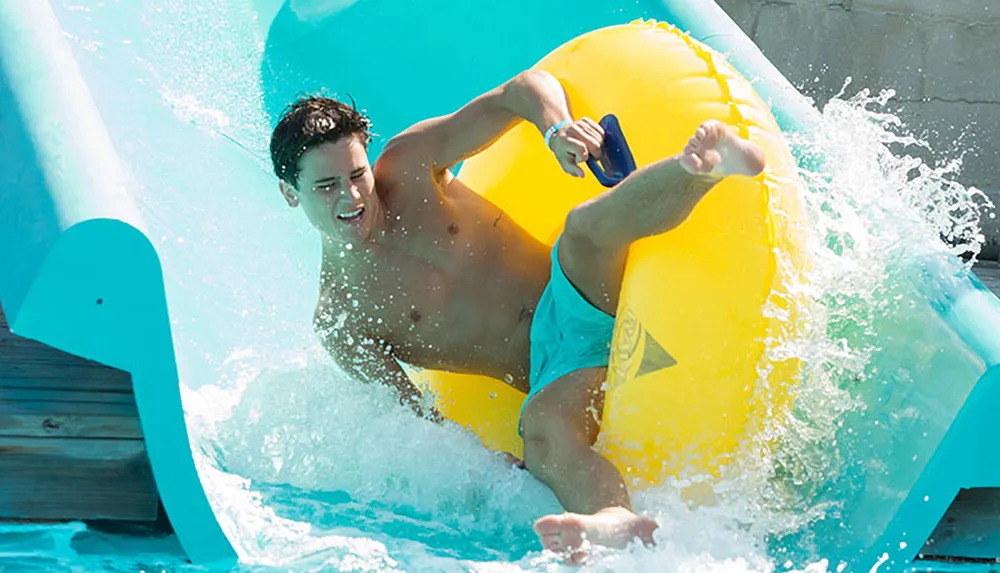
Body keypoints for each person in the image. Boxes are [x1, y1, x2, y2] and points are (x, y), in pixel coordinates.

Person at [268, 69, 765, 559]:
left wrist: (556, 128)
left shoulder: (411, 163)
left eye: (357, 174)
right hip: (557, 372)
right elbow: (417, 425)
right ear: (291, 193)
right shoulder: (343, 320)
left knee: (584, 228)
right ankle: (614, 521)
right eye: (326, 186)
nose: (352, 196)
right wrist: (484, 468)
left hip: (573, 290)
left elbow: (520, 90)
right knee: (544, 437)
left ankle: (702, 167)